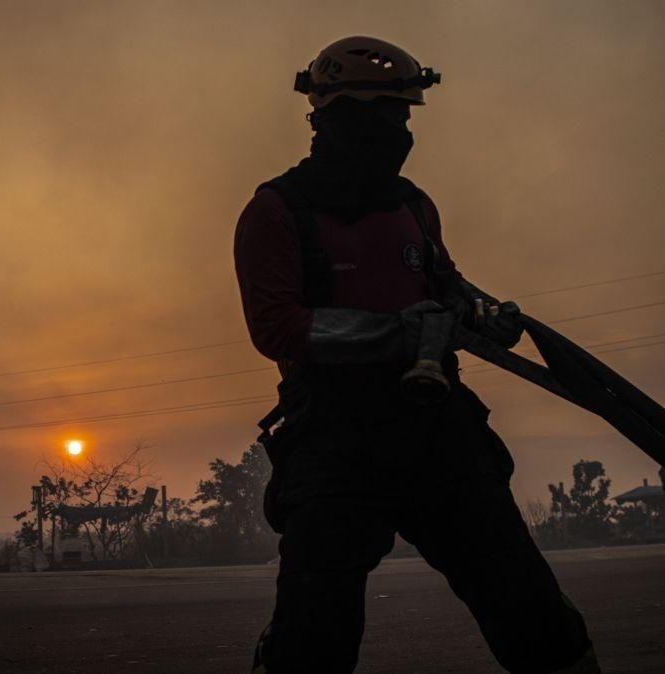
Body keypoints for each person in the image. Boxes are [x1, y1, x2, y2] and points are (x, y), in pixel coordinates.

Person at [234, 37, 600, 673]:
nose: (397, 133)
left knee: (533, 611)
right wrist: (397, 333)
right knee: (311, 635)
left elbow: (446, 287)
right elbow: (276, 327)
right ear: (331, 118)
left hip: (438, 431)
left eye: (404, 118)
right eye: (381, 118)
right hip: (334, 440)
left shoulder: (414, 206)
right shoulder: (275, 211)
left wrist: (485, 316)